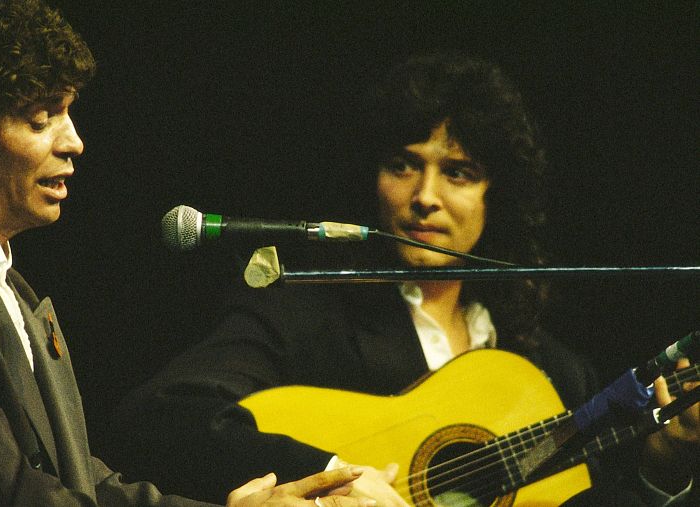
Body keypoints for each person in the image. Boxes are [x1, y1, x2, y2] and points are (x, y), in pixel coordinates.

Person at [0, 1, 381, 506]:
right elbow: (8, 497)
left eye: (68, 112)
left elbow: (81, 484)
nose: (73, 140)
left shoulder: (5, 285)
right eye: (41, 117)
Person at [103, 53, 697, 506]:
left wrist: (663, 464)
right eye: (403, 165)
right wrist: (341, 473)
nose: (425, 198)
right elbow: (159, 417)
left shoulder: (553, 373)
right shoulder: (306, 312)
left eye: (458, 173)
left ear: (499, 197)